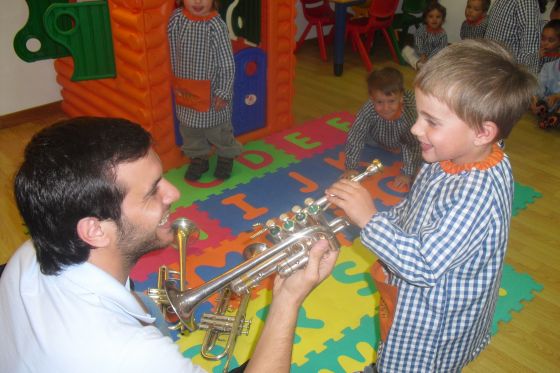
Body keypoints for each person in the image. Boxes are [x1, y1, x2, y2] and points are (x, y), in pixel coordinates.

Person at [0, 117, 339, 373]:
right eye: (152, 191)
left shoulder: (27, 255)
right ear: (95, 230)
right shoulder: (130, 354)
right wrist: (288, 298)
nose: (174, 194)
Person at [327, 39, 537, 372]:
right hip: (413, 301)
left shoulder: (477, 195)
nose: (414, 128)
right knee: (392, 346)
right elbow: (417, 209)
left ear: (483, 132)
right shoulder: (454, 153)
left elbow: (423, 264)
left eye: (431, 121)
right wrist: (368, 218)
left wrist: (369, 220)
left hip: (435, 326)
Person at [168, 0, 243, 181]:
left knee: (218, 130)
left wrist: (223, 92)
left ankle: (226, 156)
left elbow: (227, 64)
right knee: (189, 129)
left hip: (213, 93)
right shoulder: (176, 19)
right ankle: (198, 158)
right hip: (185, 88)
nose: (198, 1)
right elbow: (169, 49)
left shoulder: (216, 26)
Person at [343, 67, 422, 188]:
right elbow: (356, 136)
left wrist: (407, 174)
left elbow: (412, 144)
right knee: (361, 135)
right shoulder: (369, 109)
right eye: (379, 102)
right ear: (372, 98)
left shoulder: (409, 112)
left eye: (391, 101)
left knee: (421, 147)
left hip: (405, 137)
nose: (386, 108)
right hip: (375, 137)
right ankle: (388, 145)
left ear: (401, 97)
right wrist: (351, 167)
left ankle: (399, 148)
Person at [485, 0, 542, 74]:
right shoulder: (500, 2)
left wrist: (523, 80)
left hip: (509, 74)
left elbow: (530, 45)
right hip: (493, 68)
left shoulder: (525, 2)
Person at [401, 1, 448, 70]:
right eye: (431, 16)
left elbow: (440, 48)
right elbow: (417, 41)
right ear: (426, 19)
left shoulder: (442, 34)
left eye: (438, 17)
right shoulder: (422, 29)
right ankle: (419, 65)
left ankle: (429, 68)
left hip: (434, 58)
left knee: (445, 58)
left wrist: (429, 57)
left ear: (442, 20)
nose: (434, 19)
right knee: (405, 50)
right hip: (421, 56)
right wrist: (422, 53)